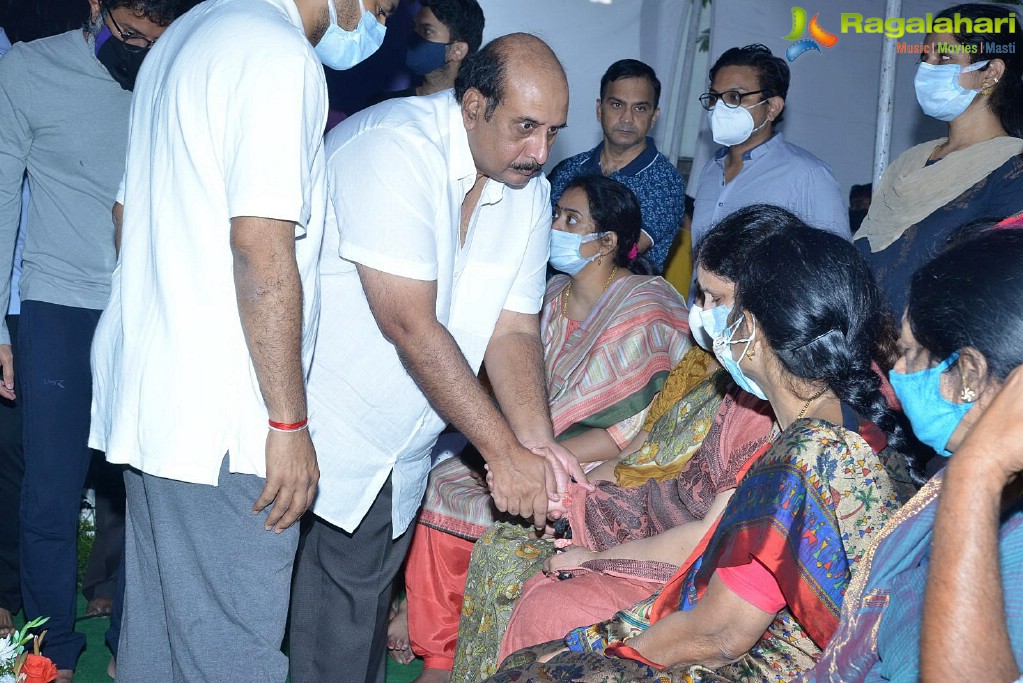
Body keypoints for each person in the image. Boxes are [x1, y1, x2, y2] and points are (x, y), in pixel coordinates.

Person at [87, 0, 399, 680]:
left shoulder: (186, 36)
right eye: (381, 2)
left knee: (156, 647)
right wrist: (287, 419)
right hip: (225, 417)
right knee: (232, 653)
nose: (381, 15)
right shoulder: (276, 52)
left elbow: (123, 213)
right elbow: (260, 245)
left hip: (156, 397)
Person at [488, 207, 916, 682]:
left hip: (776, 668)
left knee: (532, 668)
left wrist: (593, 648)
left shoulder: (803, 456)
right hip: (784, 649)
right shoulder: (850, 421)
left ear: (751, 329)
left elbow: (719, 637)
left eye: (725, 307)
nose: (711, 319)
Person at [288, 33, 579, 683]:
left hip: (395, 441)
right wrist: (501, 453)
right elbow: (409, 323)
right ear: (472, 105)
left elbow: (512, 328)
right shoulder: (394, 147)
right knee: (244, 621)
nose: (539, 153)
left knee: (345, 634)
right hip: (298, 415)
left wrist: (535, 444)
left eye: (552, 133)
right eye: (525, 127)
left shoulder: (526, 188)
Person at [452, 204, 800, 683]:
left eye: (716, 300)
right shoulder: (742, 383)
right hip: (664, 514)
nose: (700, 315)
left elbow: (708, 544)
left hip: (699, 577)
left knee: (548, 607)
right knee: (517, 547)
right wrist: (578, 488)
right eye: (700, 295)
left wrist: (594, 557)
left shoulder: (788, 420)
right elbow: (650, 450)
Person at [398, 172, 691, 682]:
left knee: (493, 491)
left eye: (570, 220)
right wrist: (516, 451)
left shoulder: (649, 304)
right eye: (556, 215)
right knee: (443, 483)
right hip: (532, 445)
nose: (555, 226)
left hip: (605, 461)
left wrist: (544, 458)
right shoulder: (549, 293)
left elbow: (642, 427)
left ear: (607, 242)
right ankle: (440, 652)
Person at [0, 1, 190, 677]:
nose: (138, 50)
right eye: (130, 33)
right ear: (96, 6)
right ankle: (49, 653)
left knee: (148, 495)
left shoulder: (182, 69)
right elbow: (0, 199)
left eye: (153, 39)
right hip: (57, 303)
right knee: (49, 494)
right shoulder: (29, 69)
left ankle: (134, 649)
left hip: (150, 309)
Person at [800, 224, 1023, 682]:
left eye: (908, 353)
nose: (897, 375)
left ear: (968, 374)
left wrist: (974, 474)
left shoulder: (991, 505)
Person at [856, 3, 1023, 314]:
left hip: (941, 354)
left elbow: (997, 289)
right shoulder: (908, 163)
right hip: (865, 349)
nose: (927, 68)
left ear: (992, 72)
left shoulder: (1013, 168)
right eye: (925, 57)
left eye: (944, 57)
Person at [689, 44, 849, 297]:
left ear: (772, 107)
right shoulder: (710, 171)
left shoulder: (808, 175)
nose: (721, 108)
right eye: (715, 97)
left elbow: (835, 272)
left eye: (735, 97)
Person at [546, 59, 685, 274]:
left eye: (639, 108)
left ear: (654, 117)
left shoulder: (665, 182)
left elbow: (621, 251)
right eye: (617, 105)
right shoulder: (568, 170)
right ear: (599, 109)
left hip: (620, 303)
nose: (627, 119)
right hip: (553, 298)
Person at [373, 0, 483, 102]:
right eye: (413, 28)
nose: (415, 37)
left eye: (426, 31)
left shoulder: (474, 116)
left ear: (457, 51)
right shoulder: (384, 106)